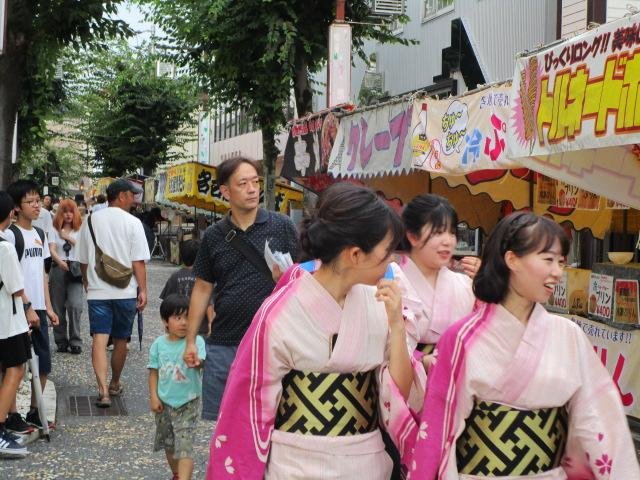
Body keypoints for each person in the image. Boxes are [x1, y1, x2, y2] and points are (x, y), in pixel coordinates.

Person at [205, 183, 425, 479]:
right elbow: (248, 408)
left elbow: (399, 393)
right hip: (296, 464)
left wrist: (397, 325)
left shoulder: (380, 304)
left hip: (367, 462)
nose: (393, 262)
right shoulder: (280, 313)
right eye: (387, 253)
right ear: (356, 255)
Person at [408, 212, 640, 479]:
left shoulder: (569, 336)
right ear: (512, 259)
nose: (557, 272)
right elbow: (437, 429)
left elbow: (600, 416)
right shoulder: (461, 339)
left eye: (561, 262)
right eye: (548, 260)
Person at [183, 157, 299, 421]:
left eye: (255, 182)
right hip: (226, 341)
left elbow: (306, 276)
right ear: (225, 191)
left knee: (274, 421)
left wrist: (287, 278)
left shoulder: (282, 226)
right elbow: (202, 288)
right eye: (243, 183)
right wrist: (190, 340)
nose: (252, 189)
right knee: (228, 423)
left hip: (275, 342)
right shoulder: (213, 236)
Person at [76, 178, 150, 408]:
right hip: (125, 291)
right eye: (132, 194)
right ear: (121, 196)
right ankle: (115, 382)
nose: (135, 198)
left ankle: (103, 391)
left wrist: (88, 281)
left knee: (99, 339)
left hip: (98, 291)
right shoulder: (133, 223)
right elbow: (138, 262)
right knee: (120, 340)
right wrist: (143, 290)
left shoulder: (90, 221)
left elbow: (83, 260)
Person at [4, 179, 59, 431]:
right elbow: (12, 279)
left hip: (37, 307)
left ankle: (36, 411)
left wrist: (47, 306)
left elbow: (43, 275)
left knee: (44, 362)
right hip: (18, 310)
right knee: (13, 365)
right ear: (16, 207)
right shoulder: (10, 236)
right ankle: (12, 414)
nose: (37, 206)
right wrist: (26, 307)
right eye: (30, 202)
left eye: (38, 200)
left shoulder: (40, 233)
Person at [397, 194, 479, 357]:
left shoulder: (465, 283)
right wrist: (423, 361)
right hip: (406, 372)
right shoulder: (394, 279)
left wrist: (485, 285)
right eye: (438, 232)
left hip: (456, 370)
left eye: (452, 233)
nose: (448, 241)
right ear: (413, 236)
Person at [149, 294, 206, 480]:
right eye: (178, 317)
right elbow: (153, 372)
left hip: (189, 402)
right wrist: (154, 397)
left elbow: (202, 364)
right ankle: (176, 474)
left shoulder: (196, 342)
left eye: (188, 317)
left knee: (185, 446)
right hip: (164, 402)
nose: (183, 322)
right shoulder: (158, 345)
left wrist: (196, 362)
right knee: (169, 444)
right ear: (165, 321)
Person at [0, 191, 31, 457]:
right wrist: (30, 310)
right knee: (15, 370)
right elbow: (16, 287)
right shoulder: (4, 247)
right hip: (8, 321)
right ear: (10, 213)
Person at [49, 199, 84, 354]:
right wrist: (60, 261)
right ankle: (61, 340)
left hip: (76, 269)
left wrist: (67, 237)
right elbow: (52, 249)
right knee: (58, 306)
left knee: (76, 305)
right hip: (58, 267)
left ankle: (76, 340)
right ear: (60, 213)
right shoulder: (53, 228)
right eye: (65, 211)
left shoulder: (80, 229)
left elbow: (84, 248)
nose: (69, 215)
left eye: (71, 211)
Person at [160, 239, 214, 337]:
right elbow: (208, 303)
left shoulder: (175, 276)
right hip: (199, 329)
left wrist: (167, 325)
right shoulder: (204, 278)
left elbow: (167, 303)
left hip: (177, 327)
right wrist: (211, 322)